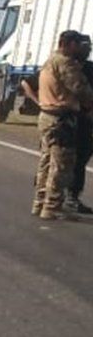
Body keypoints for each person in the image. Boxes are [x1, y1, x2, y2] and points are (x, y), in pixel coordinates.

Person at [33, 30, 93, 220]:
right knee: (61, 166)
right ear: (70, 44)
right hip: (60, 120)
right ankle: (52, 207)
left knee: (46, 163)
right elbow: (82, 90)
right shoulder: (66, 64)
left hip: (46, 117)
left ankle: (40, 203)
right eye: (79, 45)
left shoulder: (50, 60)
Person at [67, 34, 93, 214]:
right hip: (67, 120)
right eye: (85, 45)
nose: (88, 49)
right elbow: (29, 83)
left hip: (86, 121)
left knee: (81, 158)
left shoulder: (90, 68)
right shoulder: (65, 66)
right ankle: (52, 195)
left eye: (90, 46)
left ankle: (73, 196)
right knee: (62, 159)